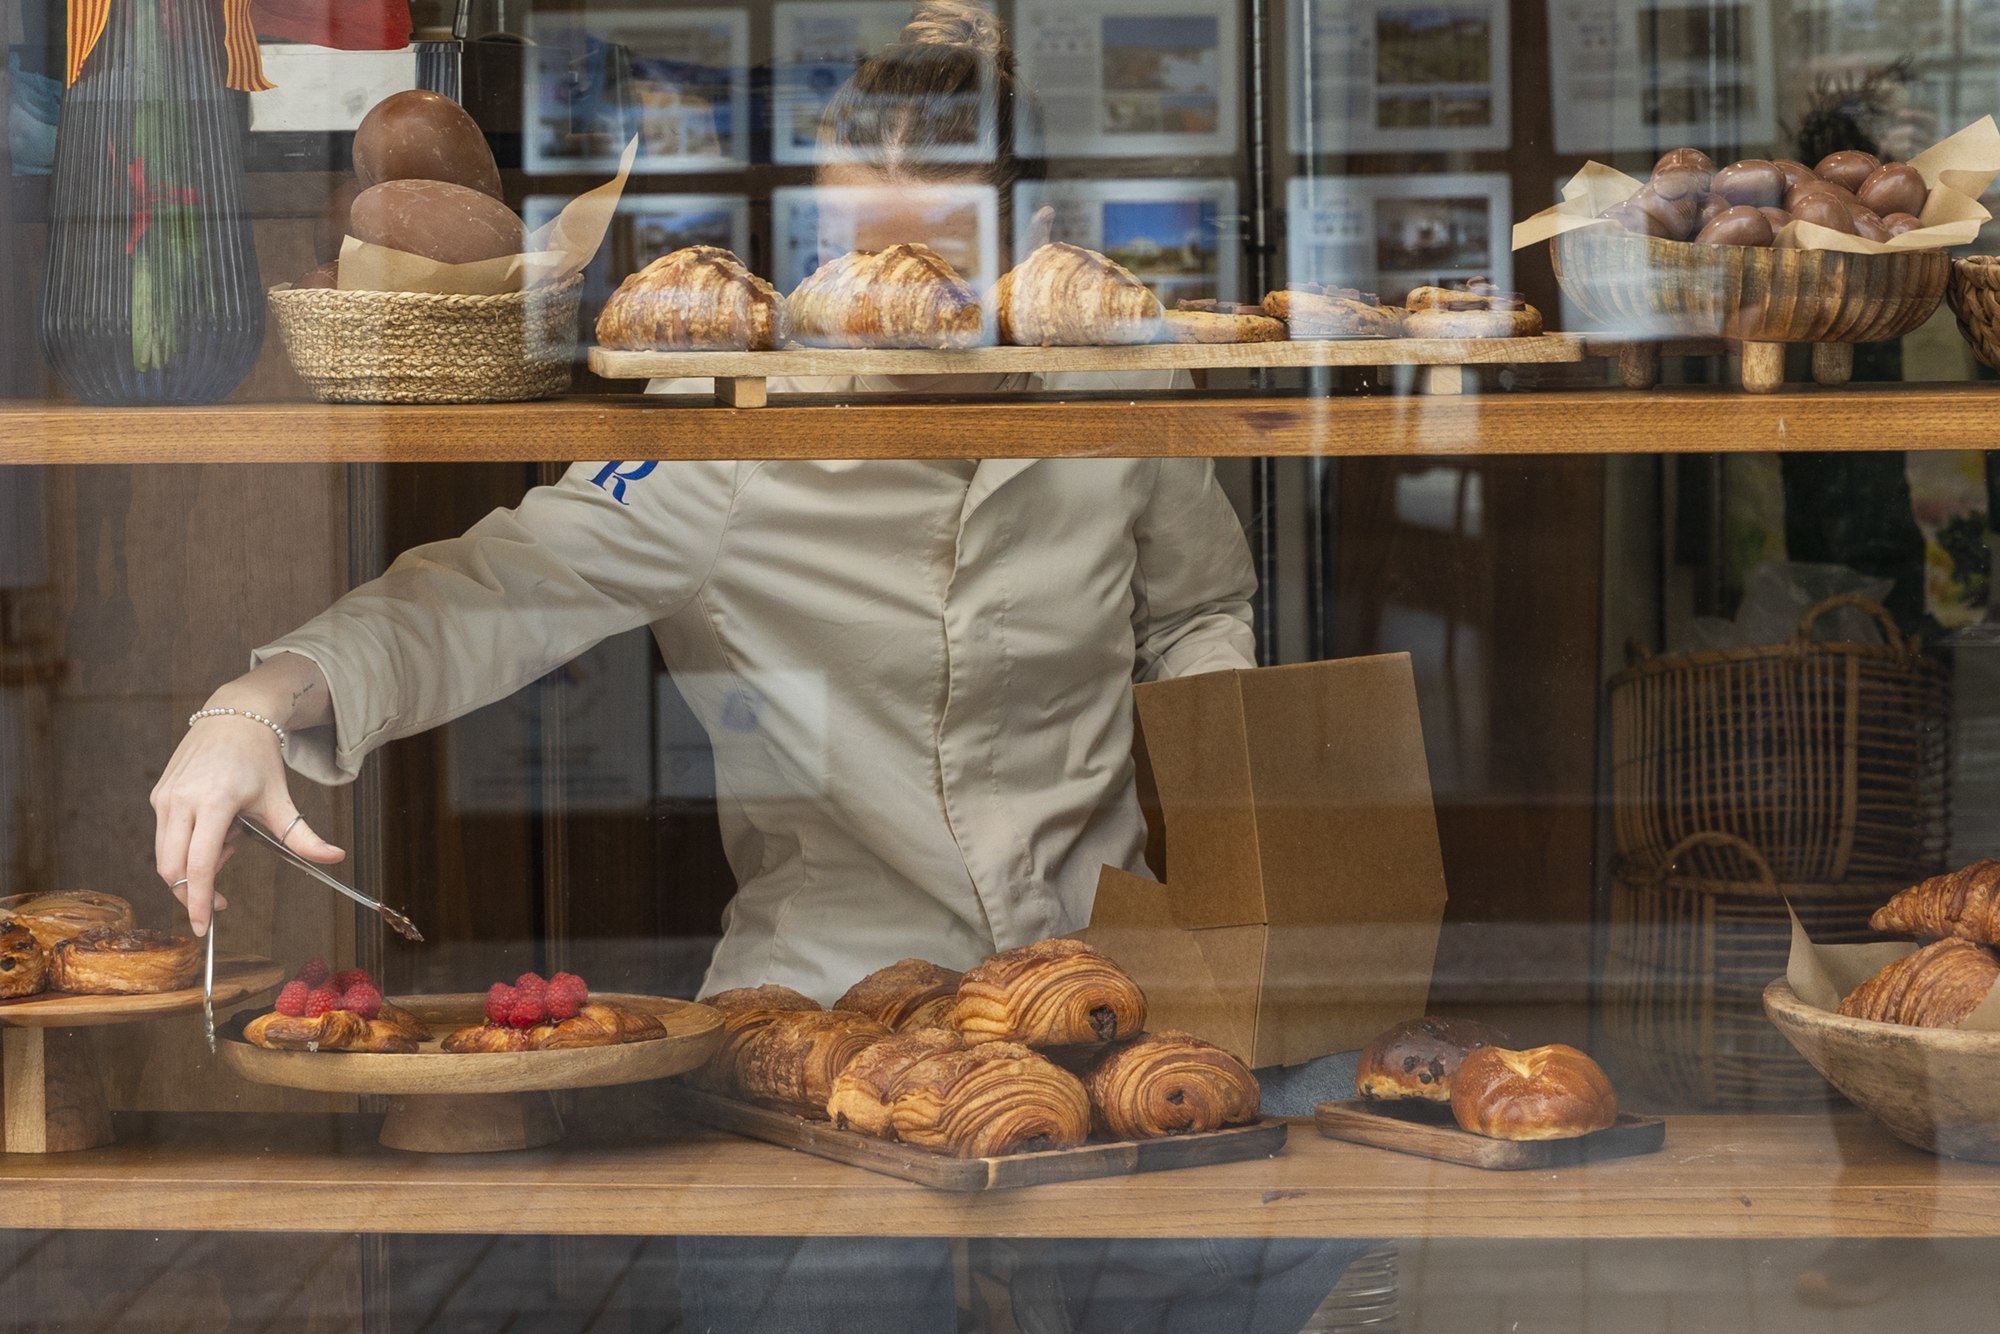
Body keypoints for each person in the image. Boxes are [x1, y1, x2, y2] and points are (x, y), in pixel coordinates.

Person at [151, 4, 1369, 1328]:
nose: (891, 296)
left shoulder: (1117, 394)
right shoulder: (728, 435)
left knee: (1305, 1169)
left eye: (936, 259)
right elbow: (493, 588)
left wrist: (1229, 847)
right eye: (857, 251)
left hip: (1102, 997)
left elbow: (1200, 605)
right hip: (823, 1015)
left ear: (1034, 245)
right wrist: (257, 705)